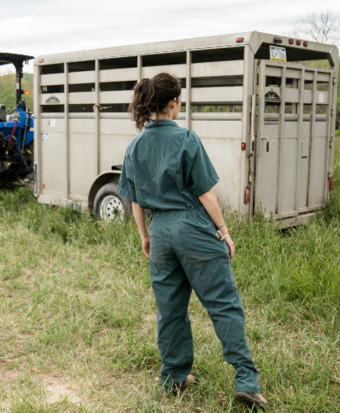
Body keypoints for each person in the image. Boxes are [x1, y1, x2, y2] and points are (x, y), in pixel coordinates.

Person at [116, 72, 268, 410]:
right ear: (173, 102)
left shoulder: (135, 145)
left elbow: (136, 199)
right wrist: (224, 231)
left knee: (170, 309)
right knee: (223, 303)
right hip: (192, 227)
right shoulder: (187, 138)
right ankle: (246, 380)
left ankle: (173, 377)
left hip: (159, 233)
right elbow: (205, 193)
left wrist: (145, 236)